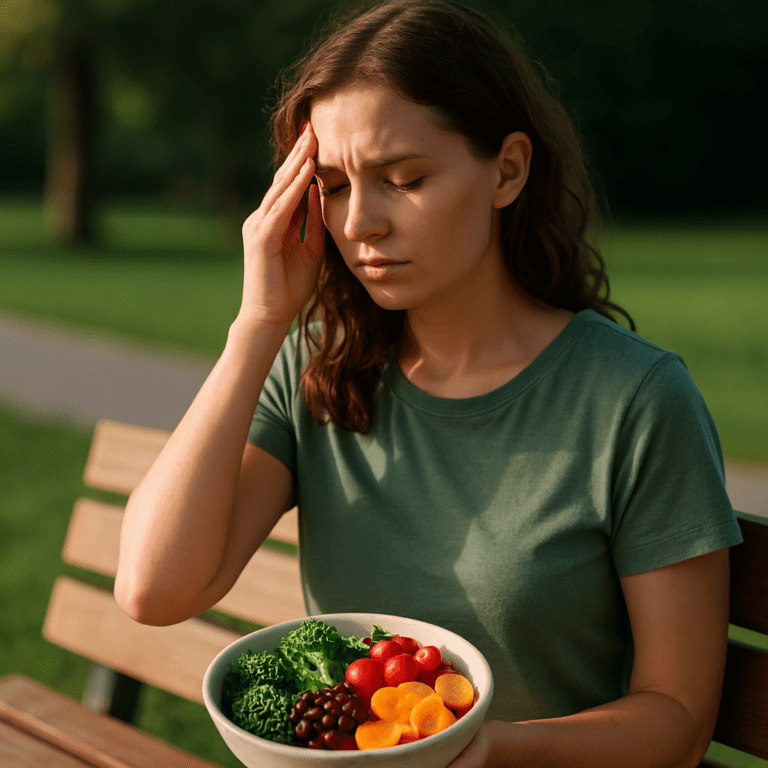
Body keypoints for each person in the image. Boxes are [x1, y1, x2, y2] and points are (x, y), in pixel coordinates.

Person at [114, 1, 743, 765]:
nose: (361, 223)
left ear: (507, 170)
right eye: (335, 185)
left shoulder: (635, 401)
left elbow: (677, 723)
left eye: (404, 178)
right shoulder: (316, 368)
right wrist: (257, 325)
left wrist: (476, 751)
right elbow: (154, 590)